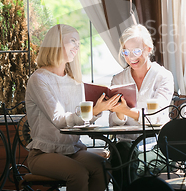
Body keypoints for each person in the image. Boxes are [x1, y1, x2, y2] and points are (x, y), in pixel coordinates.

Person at [25, 24, 120, 191]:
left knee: (103, 168)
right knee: (78, 173)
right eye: (72, 41)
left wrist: (99, 108)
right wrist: (95, 110)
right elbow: (60, 120)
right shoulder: (39, 79)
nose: (77, 46)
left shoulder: (73, 80)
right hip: (43, 154)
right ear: (56, 43)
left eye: (79, 42)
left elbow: (79, 117)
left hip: (71, 150)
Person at [108, 24, 174, 184]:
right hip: (126, 145)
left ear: (148, 49)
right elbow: (113, 123)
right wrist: (120, 112)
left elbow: (156, 116)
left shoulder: (163, 76)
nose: (131, 57)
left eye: (136, 51)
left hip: (158, 145)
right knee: (123, 153)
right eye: (126, 52)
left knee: (127, 164)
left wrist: (127, 110)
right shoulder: (118, 79)